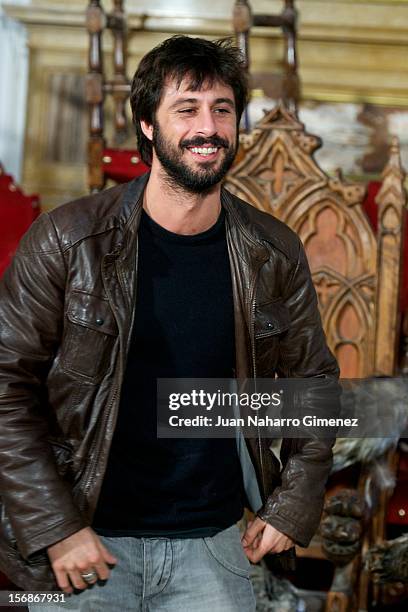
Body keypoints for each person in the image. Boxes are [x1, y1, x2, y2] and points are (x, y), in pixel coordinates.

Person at [0, 36, 339, 611]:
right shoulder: (66, 240)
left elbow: (316, 387)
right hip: (85, 542)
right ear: (148, 126)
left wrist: (290, 507)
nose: (208, 127)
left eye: (223, 109)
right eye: (187, 109)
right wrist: (56, 526)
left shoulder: (272, 251)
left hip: (212, 545)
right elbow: (7, 388)